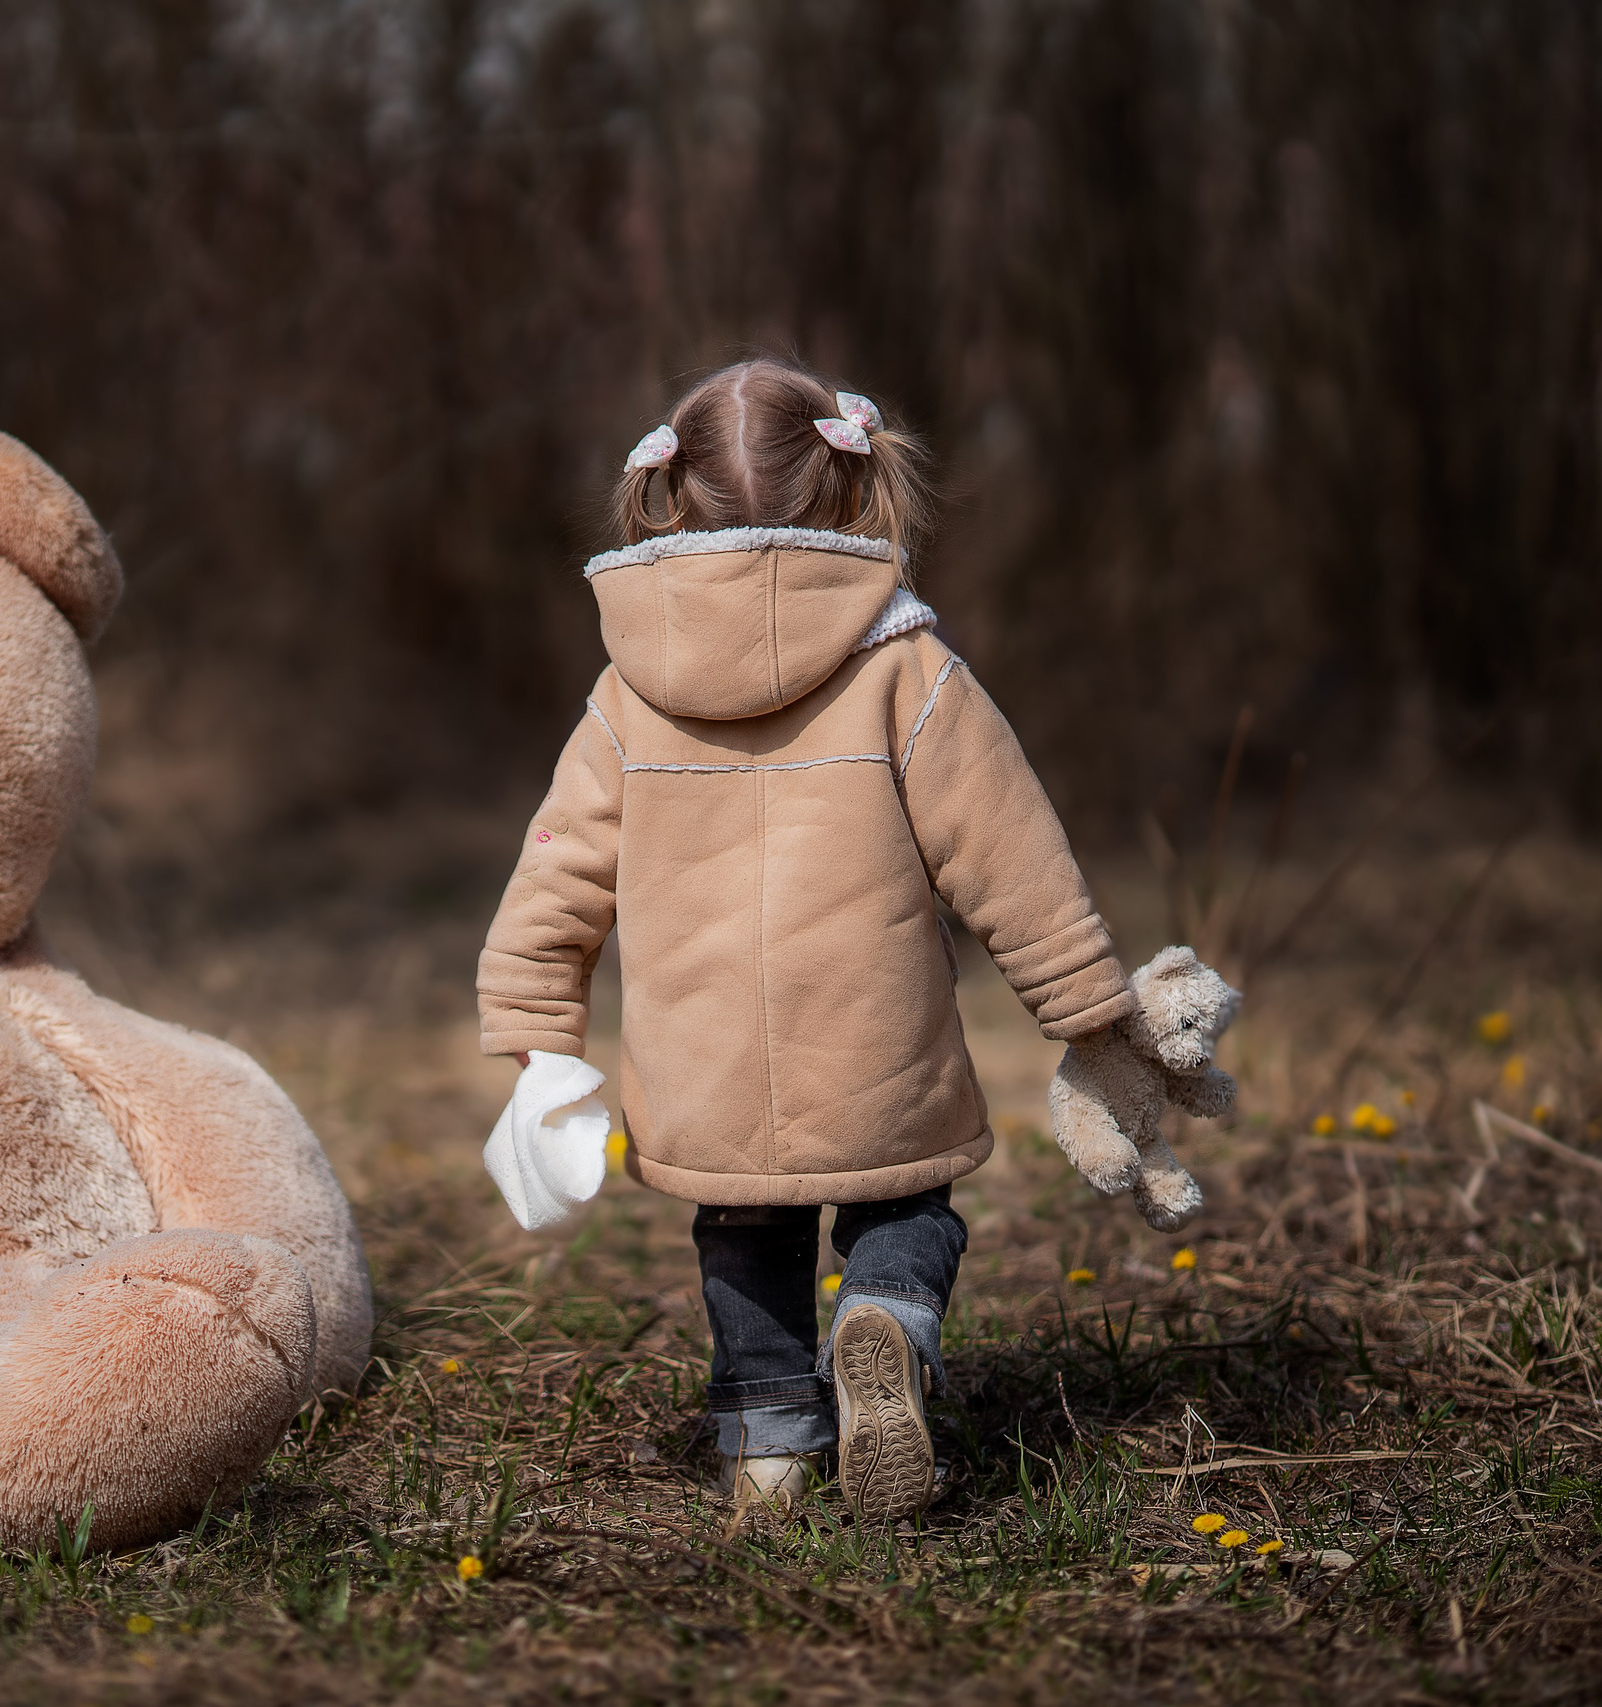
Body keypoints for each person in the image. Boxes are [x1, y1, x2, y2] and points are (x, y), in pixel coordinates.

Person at [477, 358, 1140, 1525]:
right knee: (907, 1210)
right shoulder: (905, 665)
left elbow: (558, 872)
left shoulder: (627, 692)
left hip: (702, 1061)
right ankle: (885, 1317)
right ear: (851, 485)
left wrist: (537, 1031)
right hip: (875, 1039)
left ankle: (769, 1452)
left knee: (741, 1237)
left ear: (669, 497)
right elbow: (1006, 849)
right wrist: (1084, 1002)